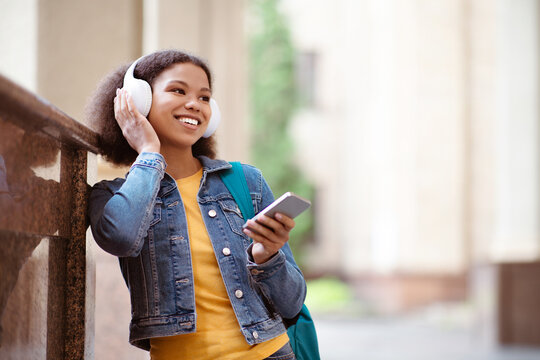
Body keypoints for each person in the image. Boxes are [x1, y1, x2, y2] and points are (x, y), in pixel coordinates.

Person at [86, 49, 306, 360]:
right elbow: (122, 238)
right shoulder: (110, 195)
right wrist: (149, 150)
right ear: (138, 100)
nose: (194, 104)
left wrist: (267, 256)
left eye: (204, 97)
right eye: (178, 90)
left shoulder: (246, 182)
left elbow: (292, 303)